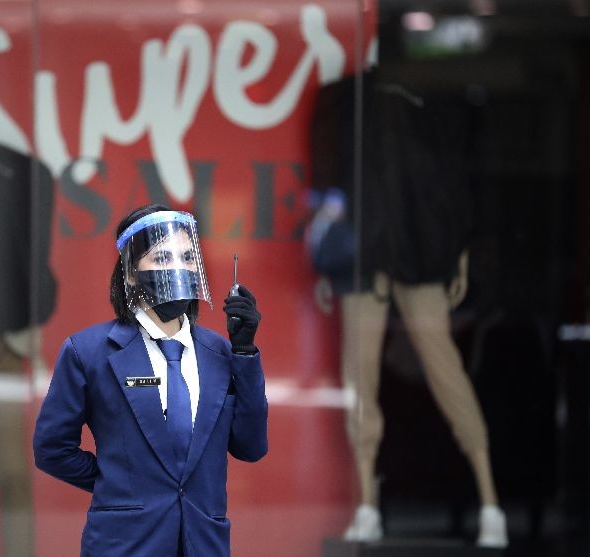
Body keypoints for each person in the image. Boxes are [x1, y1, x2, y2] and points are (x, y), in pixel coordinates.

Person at [309, 71, 507, 547]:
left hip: (411, 246)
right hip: (377, 249)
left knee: (435, 372)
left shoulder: (432, 100)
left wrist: (456, 246)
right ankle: (372, 505)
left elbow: (455, 179)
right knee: (367, 378)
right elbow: (331, 177)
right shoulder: (349, 99)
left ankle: (488, 501)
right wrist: (328, 258)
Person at [33, 204, 268, 556]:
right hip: (124, 544)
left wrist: (245, 352)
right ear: (130, 273)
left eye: (187, 257)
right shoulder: (89, 351)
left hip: (203, 542)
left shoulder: (220, 353)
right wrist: (116, 483)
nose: (177, 267)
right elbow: (52, 449)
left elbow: (251, 447)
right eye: (161, 258)